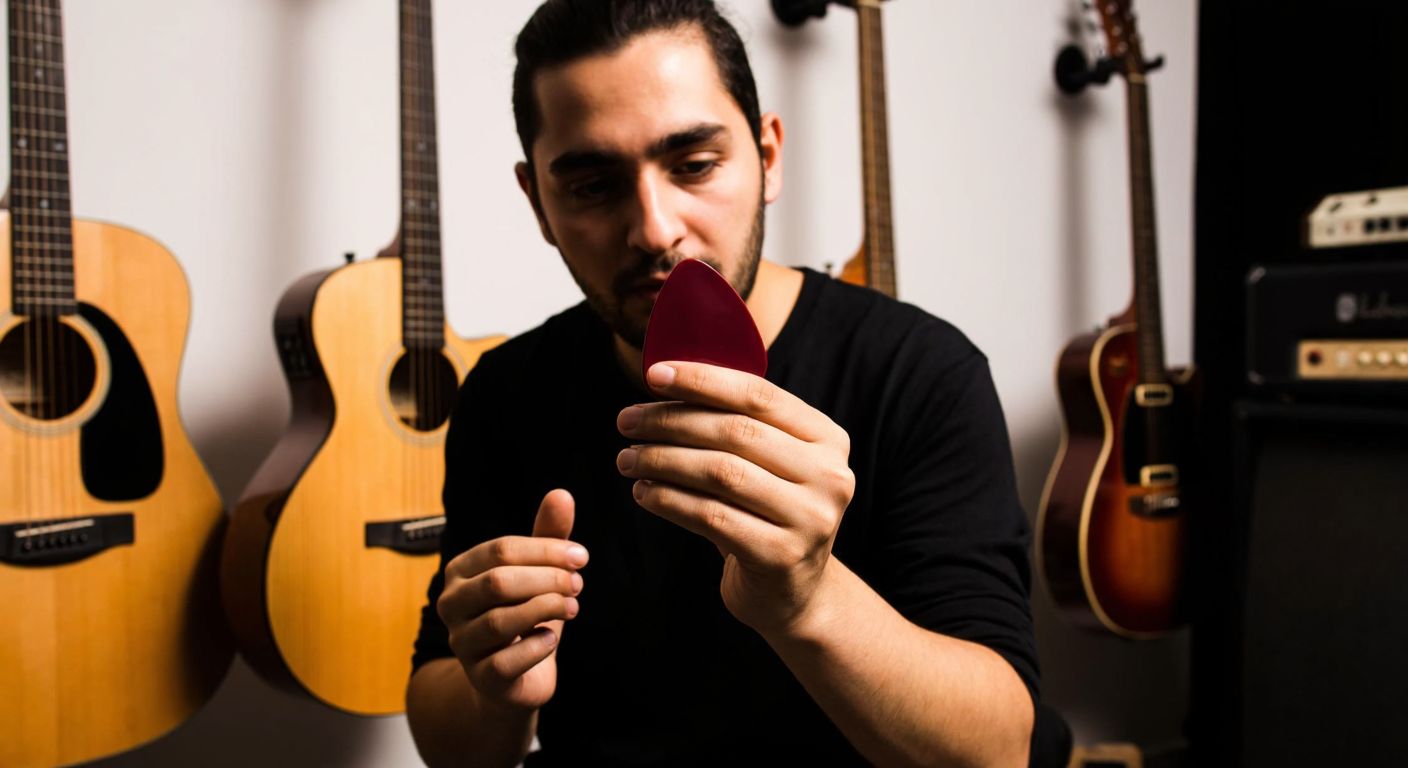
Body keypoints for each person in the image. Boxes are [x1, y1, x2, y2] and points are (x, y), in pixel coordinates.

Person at [405, 1, 1037, 765]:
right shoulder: (504, 393)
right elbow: (451, 738)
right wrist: (495, 691)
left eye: (694, 165)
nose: (655, 227)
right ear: (537, 202)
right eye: (593, 186)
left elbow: (998, 749)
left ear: (768, 156)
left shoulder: (921, 373)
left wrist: (807, 598)